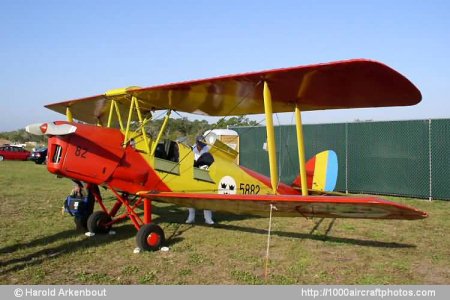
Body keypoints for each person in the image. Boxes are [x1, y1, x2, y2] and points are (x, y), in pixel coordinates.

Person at [186, 136, 215, 225]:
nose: (201, 146)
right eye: (200, 144)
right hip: (193, 174)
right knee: (190, 197)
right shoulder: (192, 149)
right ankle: (191, 217)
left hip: (205, 174)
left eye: (203, 144)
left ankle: (208, 219)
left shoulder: (208, 149)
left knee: (206, 197)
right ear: (197, 143)